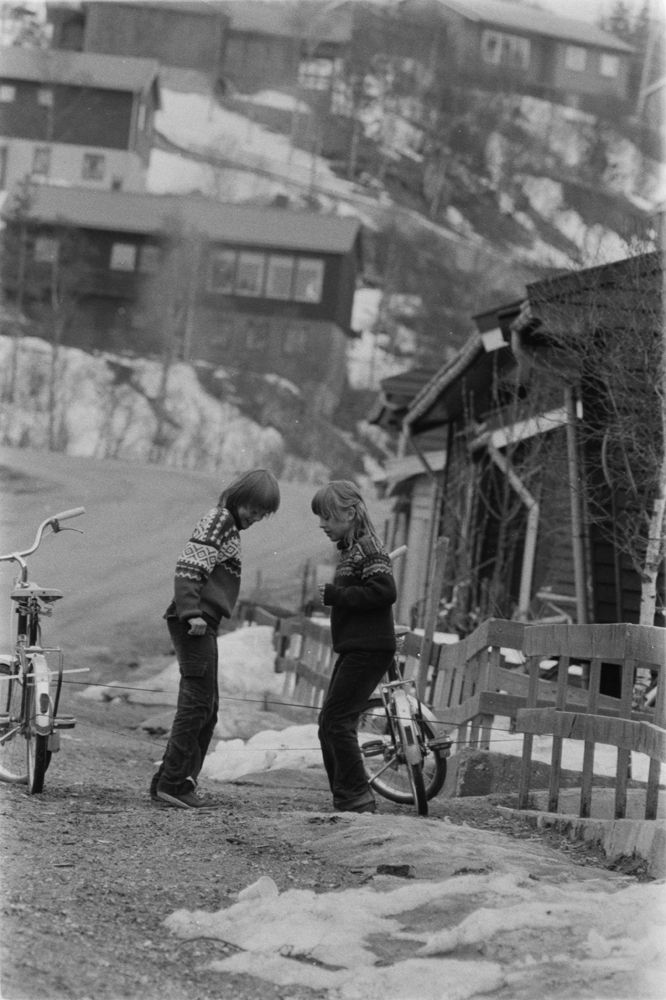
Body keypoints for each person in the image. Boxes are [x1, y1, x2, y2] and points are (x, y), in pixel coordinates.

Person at [150, 469, 280, 809]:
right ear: (239, 497)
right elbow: (189, 566)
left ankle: (174, 778)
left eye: (262, 514)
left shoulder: (228, 526)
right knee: (197, 705)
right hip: (193, 621)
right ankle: (173, 783)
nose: (256, 517)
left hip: (202, 620)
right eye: (253, 509)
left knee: (207, 707)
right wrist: (191, 611)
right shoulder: (219, 520)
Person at [312, 480, 396, 813]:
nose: (322, 525)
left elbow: (385, 592)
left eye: (328, 517)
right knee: (327, 722)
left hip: (369, 647)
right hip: (356, 647)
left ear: (350, 513)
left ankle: (357, 797)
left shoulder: (368, 546)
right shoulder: (352, 551)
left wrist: (337, 596)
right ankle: (345, 795)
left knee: (337, 722)